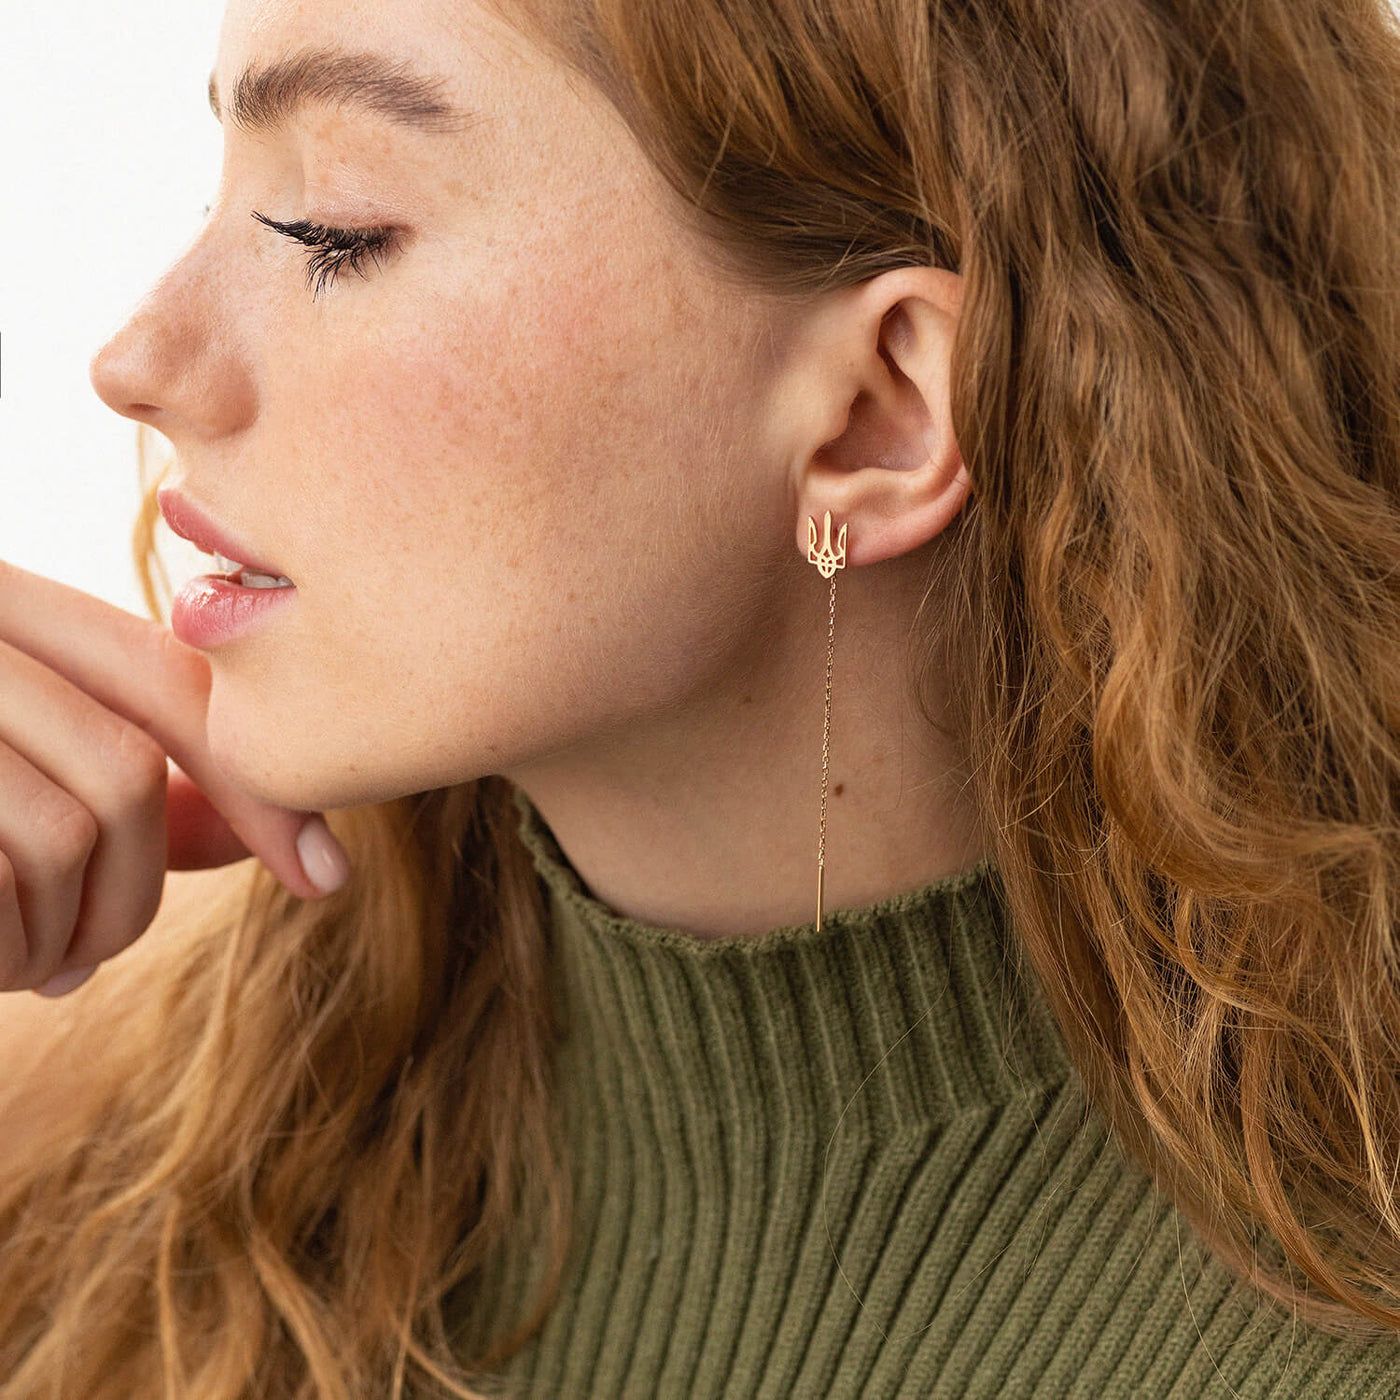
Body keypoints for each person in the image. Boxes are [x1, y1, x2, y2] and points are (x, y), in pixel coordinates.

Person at [3, 0, 1400, 1394]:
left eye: (332, 230)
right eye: (222, 197)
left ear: (883, 409)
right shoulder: (111, 1159)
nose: (138, 363)